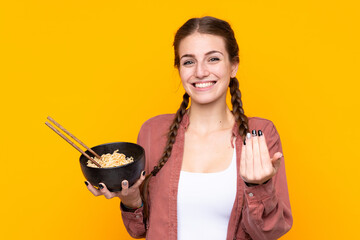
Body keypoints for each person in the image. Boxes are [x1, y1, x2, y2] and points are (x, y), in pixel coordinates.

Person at [85, 16, 293, 240]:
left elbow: (270, 232)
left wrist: (258, 186)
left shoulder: (258, 135)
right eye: (189, 61)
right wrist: (131, 199)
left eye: (213, 59)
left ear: (233, 66)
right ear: (179, 69)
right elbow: (140, 230)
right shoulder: (153, 132)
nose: (201, 72)